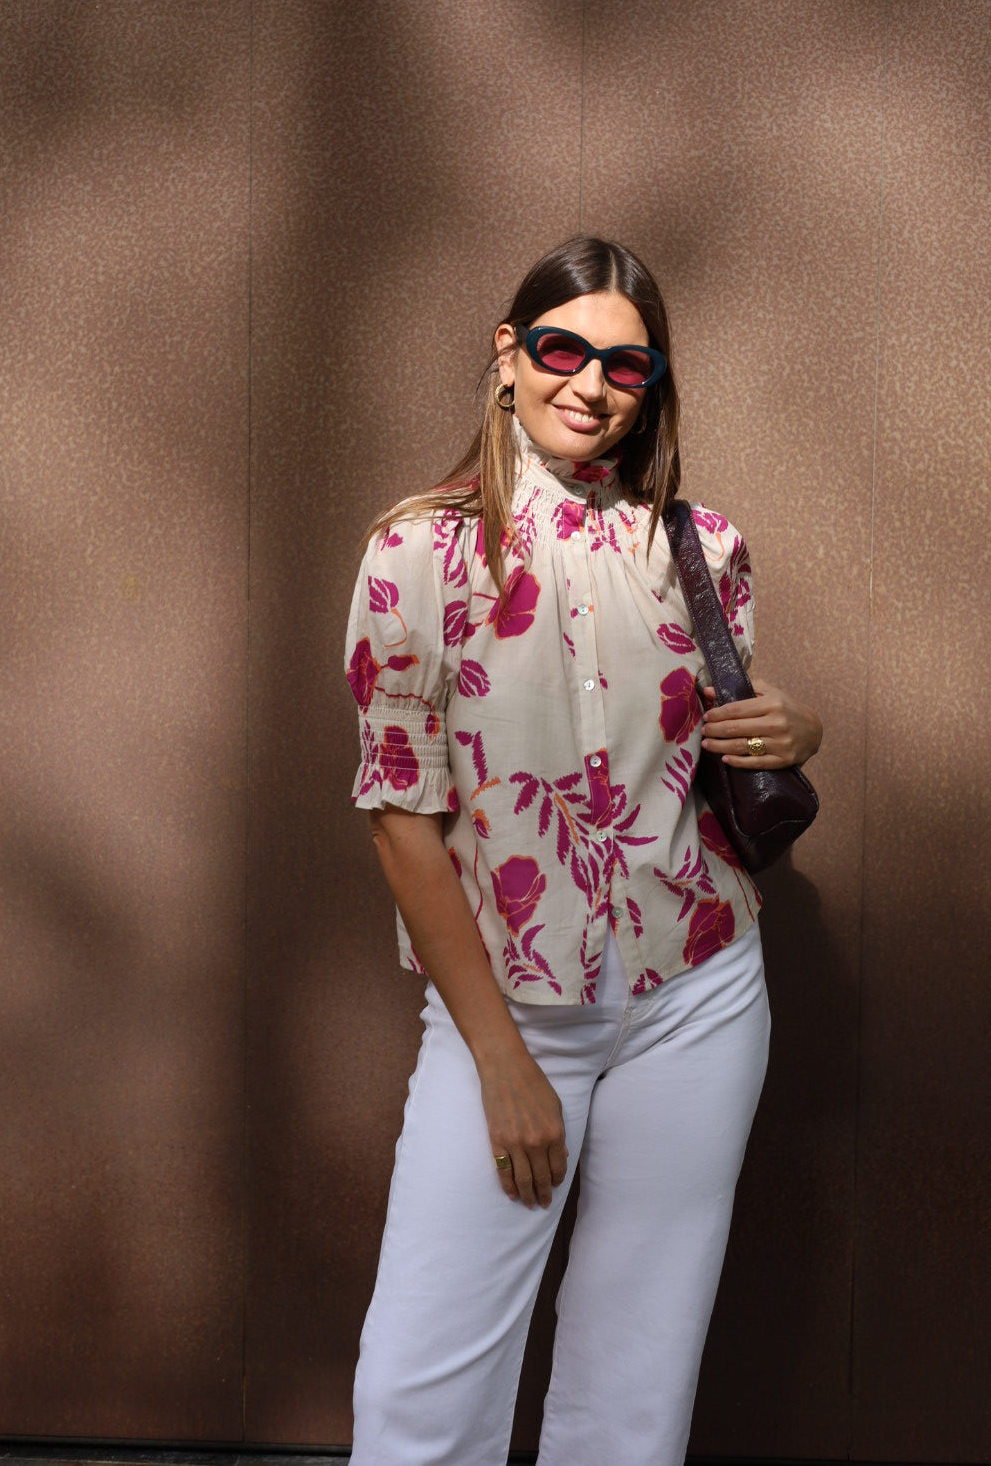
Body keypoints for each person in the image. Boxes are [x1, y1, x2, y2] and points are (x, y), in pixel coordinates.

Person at [343, 236, 822, 1466]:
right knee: (421, 1394)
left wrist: (795, 727)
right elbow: (402, 822)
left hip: (699, 993)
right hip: (510, 1011)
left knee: (636, 1385)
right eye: (563, 350)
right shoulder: (417, 553)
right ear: (508, 355)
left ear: (651, 384)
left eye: (626, 364)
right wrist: (502, 1062)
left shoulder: (703, 547)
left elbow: (709, 744)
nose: (592, 384)